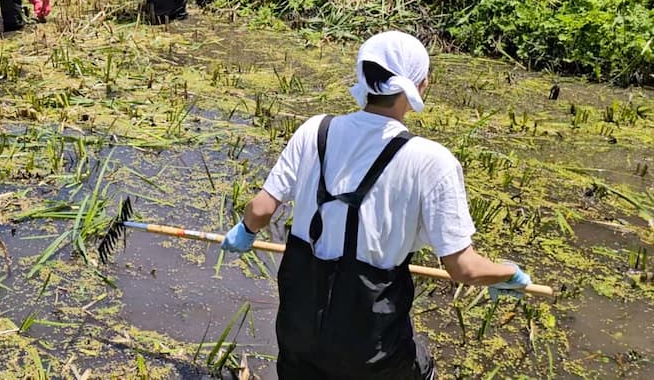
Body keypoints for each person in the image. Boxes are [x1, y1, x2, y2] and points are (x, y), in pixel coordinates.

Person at [221, 31, 533, 379]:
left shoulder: (315, 130)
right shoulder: (432, 161)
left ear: (362, 77)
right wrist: (508, 272)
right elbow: (464, 269)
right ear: (421, 84)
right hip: (372, 348)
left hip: (299, 332)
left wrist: (245, 231)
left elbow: (261, 210)